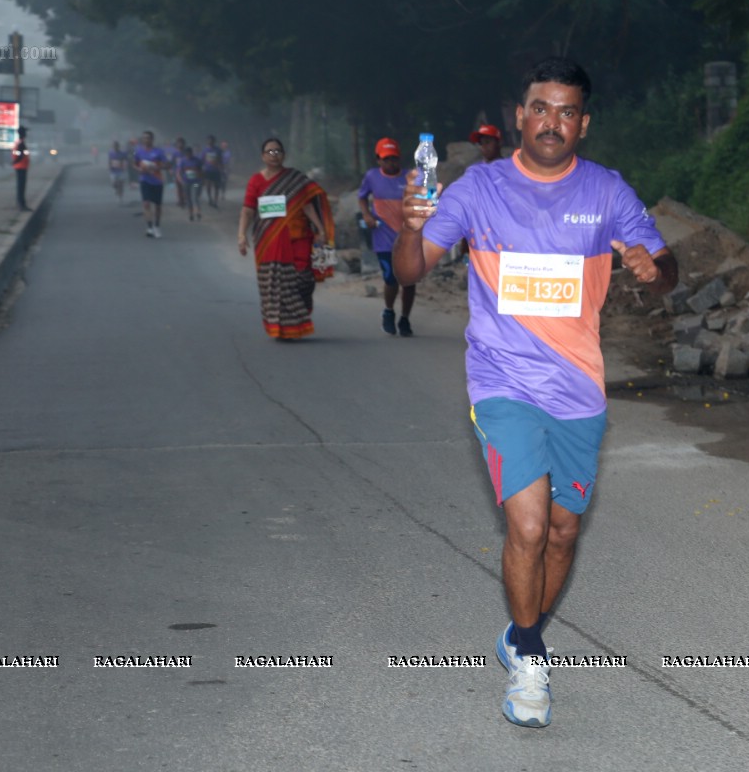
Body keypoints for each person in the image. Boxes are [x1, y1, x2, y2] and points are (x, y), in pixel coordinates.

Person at [394, 57, 678, 728]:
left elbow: (665, 272)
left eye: (567, 111)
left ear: (585, 123)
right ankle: (529, 660)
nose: (553, 122)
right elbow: (411, 267)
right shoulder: (477, 189)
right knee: (527, 523)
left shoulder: (608, 193)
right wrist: (409, 224)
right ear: (520, 115)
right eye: (540, 108)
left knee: (561, 530)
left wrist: (651, 266)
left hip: (578, 388)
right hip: (502, 381)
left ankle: (522, 633)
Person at [237, 138, 335, 340]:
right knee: (273, 283)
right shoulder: (256, 181)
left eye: (278, 151)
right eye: (270, 151)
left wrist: (320, 228)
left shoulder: (295, 179)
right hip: (268, 240)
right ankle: (280, 327)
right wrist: (241, 234)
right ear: (263, 156)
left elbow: (307, 205)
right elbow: (248, 210)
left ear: (284, 154)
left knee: (304, 279)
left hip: (298, 237)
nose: (274, 155)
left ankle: (300, 311)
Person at [358, 137, 417, 336]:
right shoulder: (371, 177)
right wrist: (367, 215)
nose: (391, 163)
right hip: (383, 238)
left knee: (409, 281)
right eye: (386, 159)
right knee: (391, 278)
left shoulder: (410, 176)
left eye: (394, 159)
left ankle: (405, 319)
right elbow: (362, 197)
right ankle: (389, 311)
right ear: (378, 160)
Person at [134, 130, 169, 238]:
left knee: (158, 206)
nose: (146, 140)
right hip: (145, 180)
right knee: (146, 204)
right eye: (144, 138)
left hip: (157, 181)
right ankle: (149, 227)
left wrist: (156, 167)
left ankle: (157, 226)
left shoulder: (159, 152)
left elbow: (166, 165)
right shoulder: (139, 151)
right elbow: (134, 164)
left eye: (148, 138)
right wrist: (139, 169)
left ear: (152, 139)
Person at [177, 146, 204, 221]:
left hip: (195, 182)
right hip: (186, 182)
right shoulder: (182, 161)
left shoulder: (197, 160)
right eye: (187, 153)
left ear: (192, 153)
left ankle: (198, 212)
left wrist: (201, 180)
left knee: (195, 197)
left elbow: (201, 171)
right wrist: (181, 180)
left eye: (189, 153)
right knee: (188, 199)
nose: (188, 154)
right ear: (185, 153)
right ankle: (191, 214)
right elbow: (179, 172)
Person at [12, 126, 31, 212]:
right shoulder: (21, 143)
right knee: (21, 187)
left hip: (20, 166)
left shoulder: (18, 142)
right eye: (25, 133)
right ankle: (21, 205)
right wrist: (15, 161)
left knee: (20, 187)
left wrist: (15, 162)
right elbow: (20, 155)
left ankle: (20, 204)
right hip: (21, 167)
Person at [201, 135, 223, 208]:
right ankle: (210, 198)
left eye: (211, 140)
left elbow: (220, 160)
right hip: (207, 170)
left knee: (216, 186)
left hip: (216, 170)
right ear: (207, 141)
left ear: (214, 141)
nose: (210, 142)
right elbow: (202, 160)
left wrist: (221, 168)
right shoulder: (205, 150)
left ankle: (215, 201)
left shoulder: (218, 150)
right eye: (209, 140)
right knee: (208, 186)